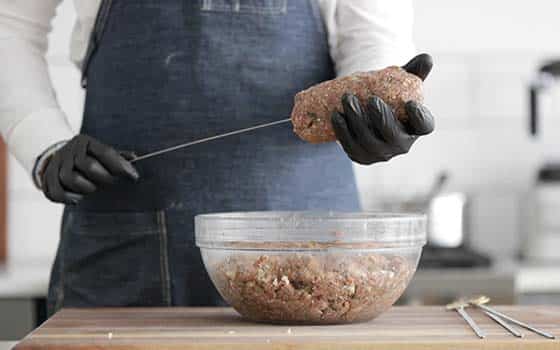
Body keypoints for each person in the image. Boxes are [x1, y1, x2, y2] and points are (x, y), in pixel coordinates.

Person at [0, 0, 434, 314]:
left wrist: (376, 105)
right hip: (125, 251)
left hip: (312, 256)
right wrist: (42, 139)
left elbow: (373, 31)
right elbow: (9, 25)